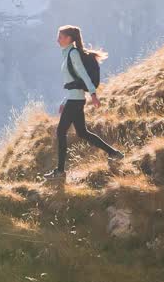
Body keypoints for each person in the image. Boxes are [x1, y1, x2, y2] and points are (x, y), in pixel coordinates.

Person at [45, 25, 123, 179]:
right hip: (74, 99)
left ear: (69, 39)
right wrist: (65, 100)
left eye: (60, 37)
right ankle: (114, 153)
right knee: (82, 132)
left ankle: (60, 172)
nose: (57, 40)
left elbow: (83, 75)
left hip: (76, 101)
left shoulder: (73, 53)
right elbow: (75, 81)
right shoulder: (69, 53)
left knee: (61, 132)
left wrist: (93, 94)